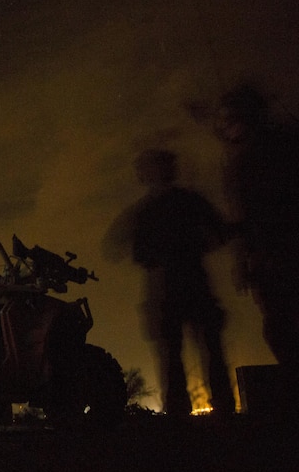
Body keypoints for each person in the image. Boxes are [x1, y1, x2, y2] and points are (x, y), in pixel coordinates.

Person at [103, 149, 235, 416]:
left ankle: (187, 411)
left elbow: (116, 246)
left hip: (172, 285)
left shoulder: (149, 210)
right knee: (189, 350)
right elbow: (221, 232)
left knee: (179, 352)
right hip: (180, 284)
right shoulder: (180, 203)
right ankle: (213, 408)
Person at [215, 83, 299, 384]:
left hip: (280, 255)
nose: (224, 126)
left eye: (230, 118)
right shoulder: (262, 151)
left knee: (282, 329)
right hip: (269, 257)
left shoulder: (263, 155)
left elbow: (259, 211)